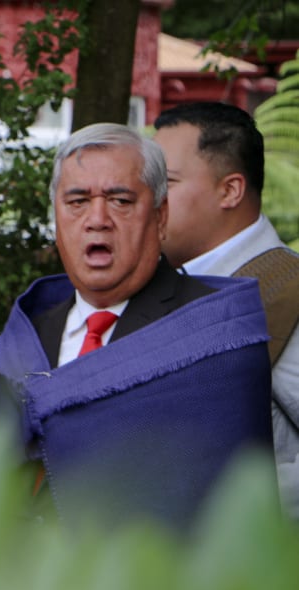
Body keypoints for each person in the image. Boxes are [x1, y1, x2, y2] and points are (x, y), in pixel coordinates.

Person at [0, 122, 272, 530]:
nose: (97, 219)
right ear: (56, 218)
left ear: (160, 216)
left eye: (120, 200)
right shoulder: (24, 335)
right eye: (77, 201)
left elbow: (230, 515)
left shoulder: (212, 332)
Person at [153, 101, 299, 518]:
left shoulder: (285, 292)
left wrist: (233, 508)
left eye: (167, 182)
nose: (148, 199)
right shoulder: (176, 286)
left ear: (230, 190)